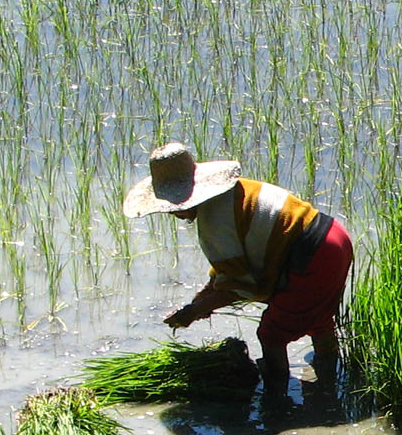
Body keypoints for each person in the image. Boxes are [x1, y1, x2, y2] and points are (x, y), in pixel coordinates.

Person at [123, 141, 353, 393]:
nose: (172, 212)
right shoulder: (231, 193)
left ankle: (276, 400)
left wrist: (193, 311)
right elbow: (229, 271)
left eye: (175, 205)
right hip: (334, 237)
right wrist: (200, 300)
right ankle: (331, 382)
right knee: (315, 315)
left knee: (271, 334)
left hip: (314, 254)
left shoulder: (214, 220)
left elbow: (239, 286)